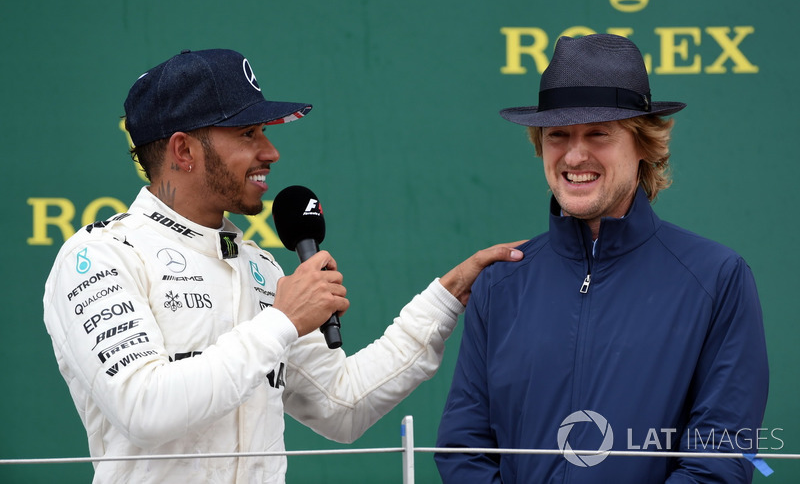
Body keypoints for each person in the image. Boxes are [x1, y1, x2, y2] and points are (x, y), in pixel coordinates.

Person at [42, 48, 523, 484]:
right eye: (248, 134)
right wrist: (282, 321)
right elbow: (143, 408)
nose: (270, 152)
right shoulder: (100, 257)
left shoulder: (261, 269)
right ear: (184, 150)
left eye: (265, 133)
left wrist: (446, 295)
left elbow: (342, 405)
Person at [435, 34, 769, 483]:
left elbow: (719, 459)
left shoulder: (717, 277)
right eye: (558, 135)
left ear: (644, 145)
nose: (575, 155)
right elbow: (463, 451)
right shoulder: (501, 283)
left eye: (598, 133)